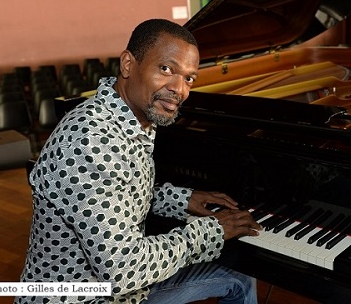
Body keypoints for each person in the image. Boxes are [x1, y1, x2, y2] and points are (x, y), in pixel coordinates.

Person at [15, 19, 262, 304]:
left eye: (189, 78)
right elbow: (123, 271)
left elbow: (120, 196)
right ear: (128, 64)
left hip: (118, 289)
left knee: (240, 276)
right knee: (237, 277)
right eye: (166, 69)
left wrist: (179, 199)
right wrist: (211, 231)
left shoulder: (131, 118)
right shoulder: (90, 141)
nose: (179, 90)